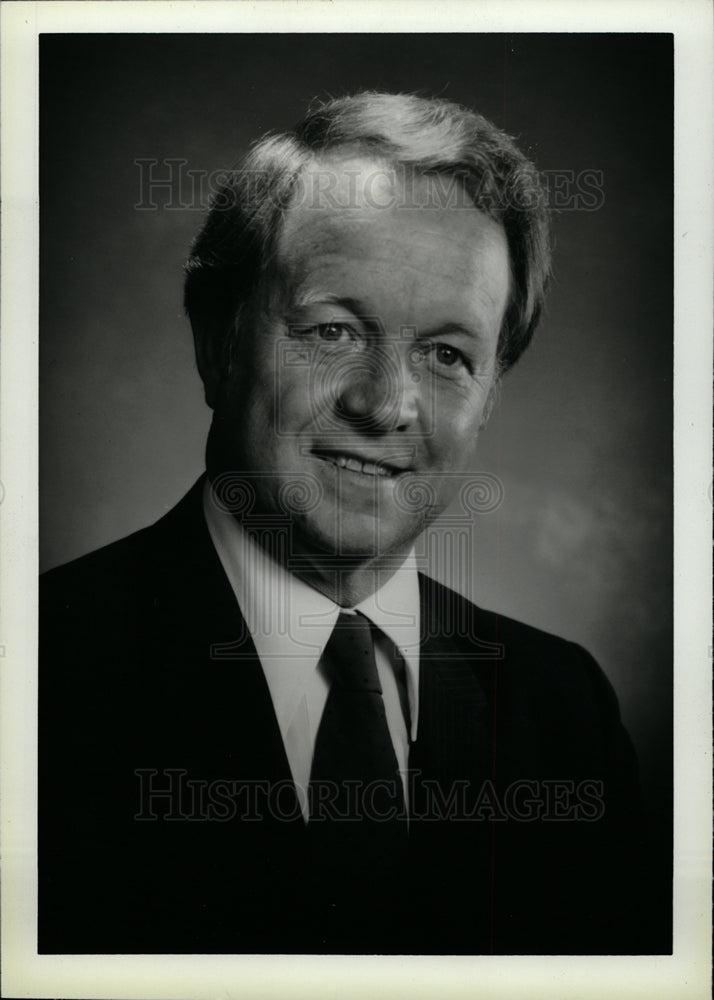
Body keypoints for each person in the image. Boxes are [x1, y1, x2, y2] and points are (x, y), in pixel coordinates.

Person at [39, 92, 666, 955]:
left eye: (448, 355)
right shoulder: (36, 673)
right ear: (216, 340)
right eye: (334, 330)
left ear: (489, 397)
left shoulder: (564, 715)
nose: (386, 404)